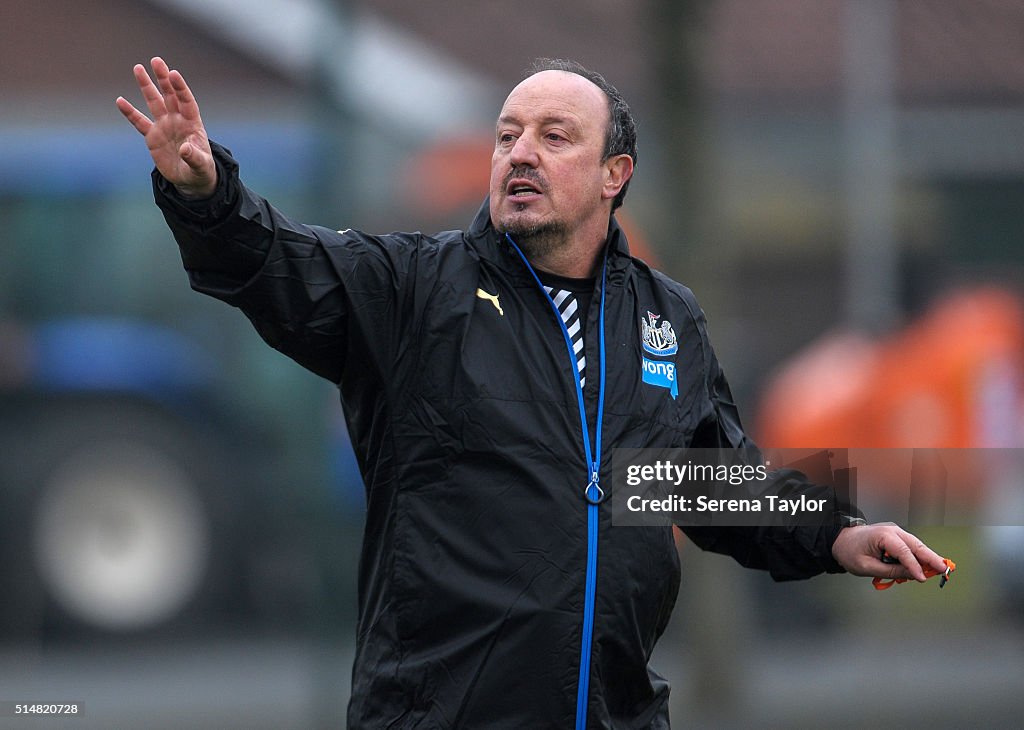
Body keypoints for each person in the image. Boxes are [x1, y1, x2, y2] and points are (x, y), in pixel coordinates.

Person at [117, 56, 949, 729]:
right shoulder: (413, 290)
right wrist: (207, 196)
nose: (521, 153)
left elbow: (704, 482)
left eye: (555, 136)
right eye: (507, 135)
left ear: (613, 173)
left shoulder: (666, 317)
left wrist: (838, 532)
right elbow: (280, 266)